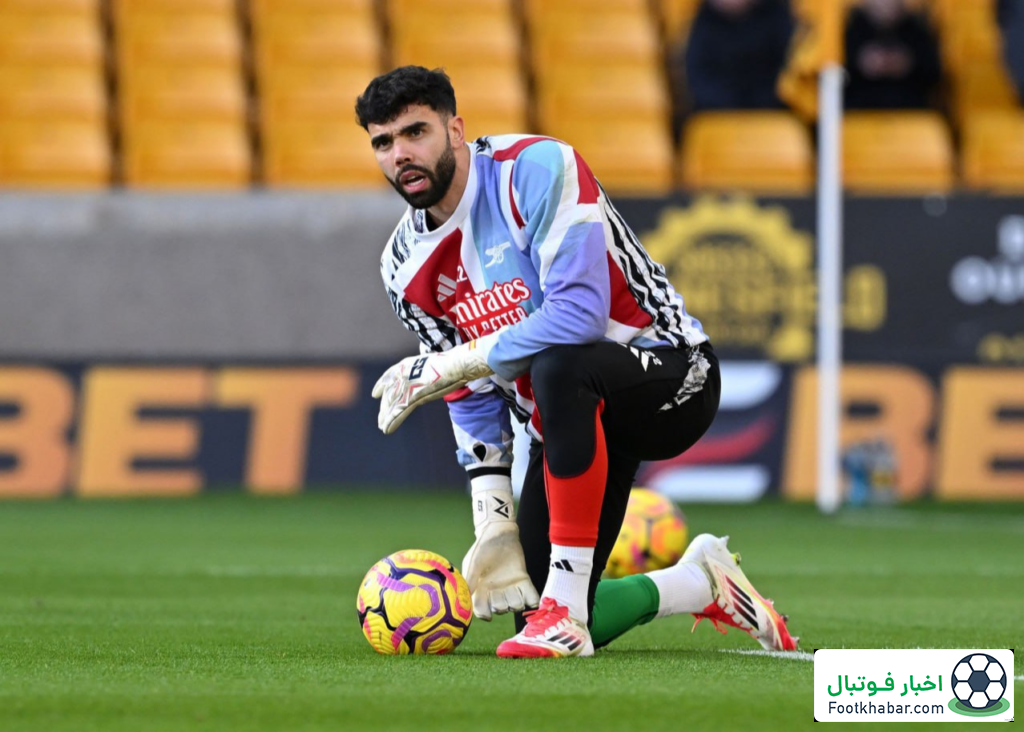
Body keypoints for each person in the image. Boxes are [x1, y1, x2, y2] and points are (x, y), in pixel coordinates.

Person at [356, 66, 797, 658]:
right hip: (563, 423)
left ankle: (564, 616)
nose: (401, 154)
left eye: (416, 132)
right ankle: (698, 582)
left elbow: (579, 317)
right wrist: (493, 521)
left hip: (669, 375)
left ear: (456, 129)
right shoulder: (403, 264)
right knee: (527, 609)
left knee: (560, 366)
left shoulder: (536, 170)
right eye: (384, 142)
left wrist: (454, 362)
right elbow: (468, 393)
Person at [682, 0, 795, 112]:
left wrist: (759, 103)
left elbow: (789, 71)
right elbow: (698, 77)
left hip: (772, 112)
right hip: (717, 113)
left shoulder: (776, 16)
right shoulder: (704, 22)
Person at [844, 0, 942, 110]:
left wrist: (908, 63)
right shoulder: (852, 28)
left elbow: (934, 74)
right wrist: (862, 63)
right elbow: (834, 74)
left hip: (909, 108)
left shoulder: (916, 29)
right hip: (859, 108)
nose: (886, 5)